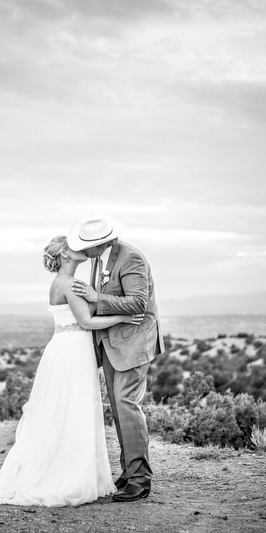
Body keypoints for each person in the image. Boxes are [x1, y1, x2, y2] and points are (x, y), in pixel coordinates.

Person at [0, 235, 144, 507]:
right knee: (73, 411)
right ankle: (68, 477)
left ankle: (67, 469)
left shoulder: (60, 283)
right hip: (73, 351)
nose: (80, 247)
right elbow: (86, 321)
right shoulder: (69, 284)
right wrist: (124, 316)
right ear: (64, 254)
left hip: (64, 349)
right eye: (73, 246)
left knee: (64, 412)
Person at [68, 215, 164, 502]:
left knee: (126, 405)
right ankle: (129, 471)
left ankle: (140, 480)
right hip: (112, 343)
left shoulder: (131, 258)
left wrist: (96, 298)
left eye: (87, 246)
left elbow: (138, 302)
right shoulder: (100, 260)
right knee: (119, 407)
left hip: (133, 342)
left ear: (101, 243)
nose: (83, 252)